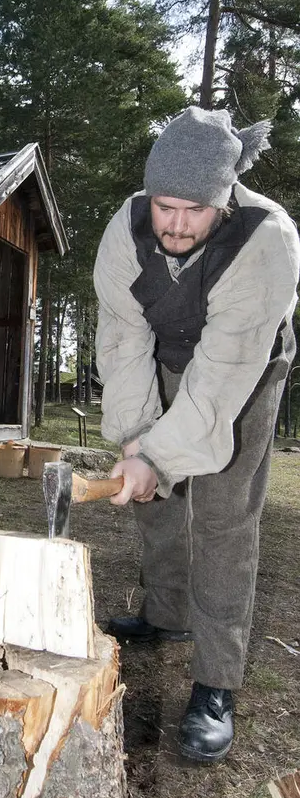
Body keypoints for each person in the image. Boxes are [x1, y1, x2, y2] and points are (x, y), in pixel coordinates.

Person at [93, 106, 300, 763]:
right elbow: (123, 337)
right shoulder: (126, 226)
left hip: (243, 370)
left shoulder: (266, 238)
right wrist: (134, 441)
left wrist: (162, 452)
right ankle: (165, 615)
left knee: (220, 517)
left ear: (224, 199)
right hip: (163, 354)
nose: (176, 224)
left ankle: (215, 682)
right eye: (165, 207)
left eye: (194, 210)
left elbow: (221, 371)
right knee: (152, 499)